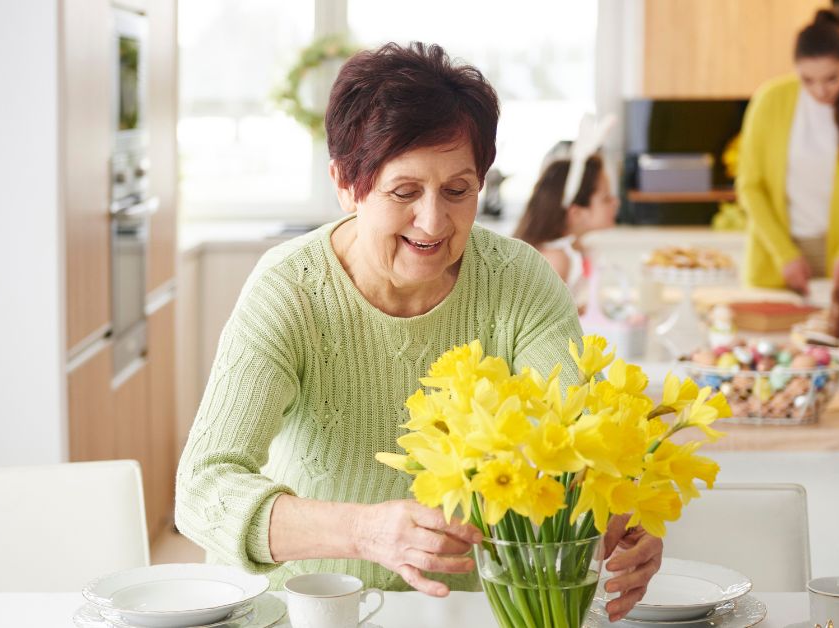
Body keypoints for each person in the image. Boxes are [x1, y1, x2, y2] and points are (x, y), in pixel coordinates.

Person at [175, 42, 659, 622]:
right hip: (306, 609)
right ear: (346, 184)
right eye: (404, 192)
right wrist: (363, 531)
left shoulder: (520, 280)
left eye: (458, 191)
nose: (433, 222)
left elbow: (573, 440)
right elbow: (202, 492)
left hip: (464, 612)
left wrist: (619, 514)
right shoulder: (291, 290)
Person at [737, 9, 839, 295]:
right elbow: (750, 187)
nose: (821, 91)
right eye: (808, 80)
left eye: (831, 78)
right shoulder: (769, 101)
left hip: (838, 257)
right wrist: (785, 254)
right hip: (774, 255)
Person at [514, 150, 620, 301]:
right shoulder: (556, 259)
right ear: (576, 213)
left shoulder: (577, 249)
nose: (616, 202)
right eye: (606, 198)